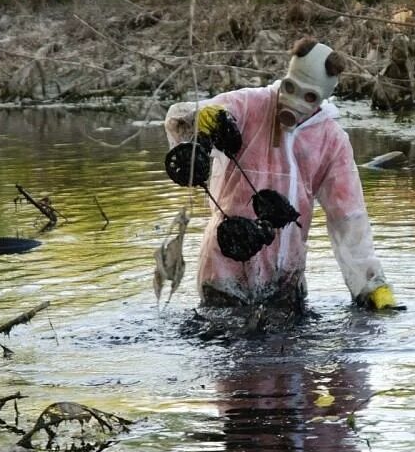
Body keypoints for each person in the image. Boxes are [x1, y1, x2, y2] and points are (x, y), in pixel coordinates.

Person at [164, 36, 395, 310]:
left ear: (323, 97)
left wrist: (372, 284)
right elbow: (179, 120)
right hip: (224, 270)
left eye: (309, 96)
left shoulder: (332, 141)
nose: (294, 101)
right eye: (290, 87)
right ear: (286, 77)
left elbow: (348, 217)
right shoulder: (249, 105)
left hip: (286, 279)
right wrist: (201, 119)